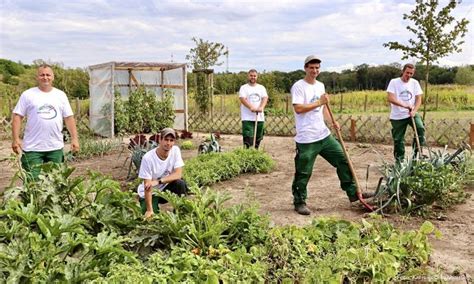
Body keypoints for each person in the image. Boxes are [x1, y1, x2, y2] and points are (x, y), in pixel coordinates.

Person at [290, 55, 368, 215]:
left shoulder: (320, 85)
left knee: (343, 160)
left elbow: (324, 108)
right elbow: (298, 108)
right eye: (311, 68)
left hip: (324, 136)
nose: (314, 71)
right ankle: (299, 201)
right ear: (305, 68)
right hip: (307, 138)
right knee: (303, 171)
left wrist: (332, 122)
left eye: (317, 68)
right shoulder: (299, 86)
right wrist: (319, 102)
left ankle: (353, 193)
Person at [11, 64, 79, 180]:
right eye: (42, 75)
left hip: (55, 147)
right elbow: (17, 116)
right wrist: (15, 139)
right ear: (37, 77)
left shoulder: (60, 95)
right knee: (33, 183)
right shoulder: (28, 95)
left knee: (55, 182)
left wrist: (74, 138)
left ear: (53, 77)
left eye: (48, 75)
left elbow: (68, 118)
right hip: (32, 148)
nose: (45, 77)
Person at [137, 128, 188, 218]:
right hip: (150, 192)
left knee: (180, 184)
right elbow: (147, 186)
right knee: (152, 219)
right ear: (160, 140)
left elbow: (178, 174)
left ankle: (180, 214)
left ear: (174, 142)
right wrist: (149, 210)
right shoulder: (148, 158)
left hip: (165, 188)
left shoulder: (175, 151)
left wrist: (158, 181)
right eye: (166, 139)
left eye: (171, 140)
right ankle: (149, 208)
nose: (168, 143)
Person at [386, 63, 425, 162]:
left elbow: (418, 99)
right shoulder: (394, 82)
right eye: (407, 73)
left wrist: (414, 110)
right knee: (398, 139)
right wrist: (405, 105)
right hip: (398, 116)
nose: (409, 75)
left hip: (411, 114)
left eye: (411, 73)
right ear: (403, 71)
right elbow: (390, 98)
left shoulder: (415, 83)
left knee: (420, 129)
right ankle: (400, 161)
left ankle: (416, 156)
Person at [239, 69, 268, 148]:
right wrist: (251, 107)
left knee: (258, 136)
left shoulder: (261, 88)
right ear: (248, 76)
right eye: (251, 75)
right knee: (248, 137)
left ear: (257, 77)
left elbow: (265, 98)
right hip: (247, 117)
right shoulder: (244, 88)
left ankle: (255, 151)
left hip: (259, 117)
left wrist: (261, 107)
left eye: (254, 76)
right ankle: (247, 153)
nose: (253, 77)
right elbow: (242, 99)